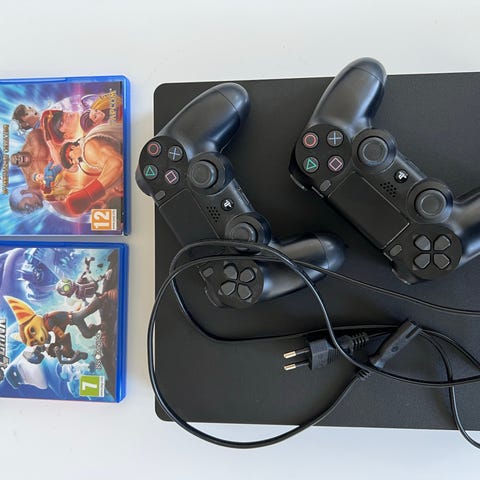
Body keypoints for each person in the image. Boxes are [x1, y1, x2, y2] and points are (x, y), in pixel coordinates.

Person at [59, 122, 123, 215]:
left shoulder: (88, 147)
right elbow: (118, 171)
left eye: (71, 158)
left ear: (72, 147)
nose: (74, 162)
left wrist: (87, 194)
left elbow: (117, 164)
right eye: (72, 163)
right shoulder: (89, 149)